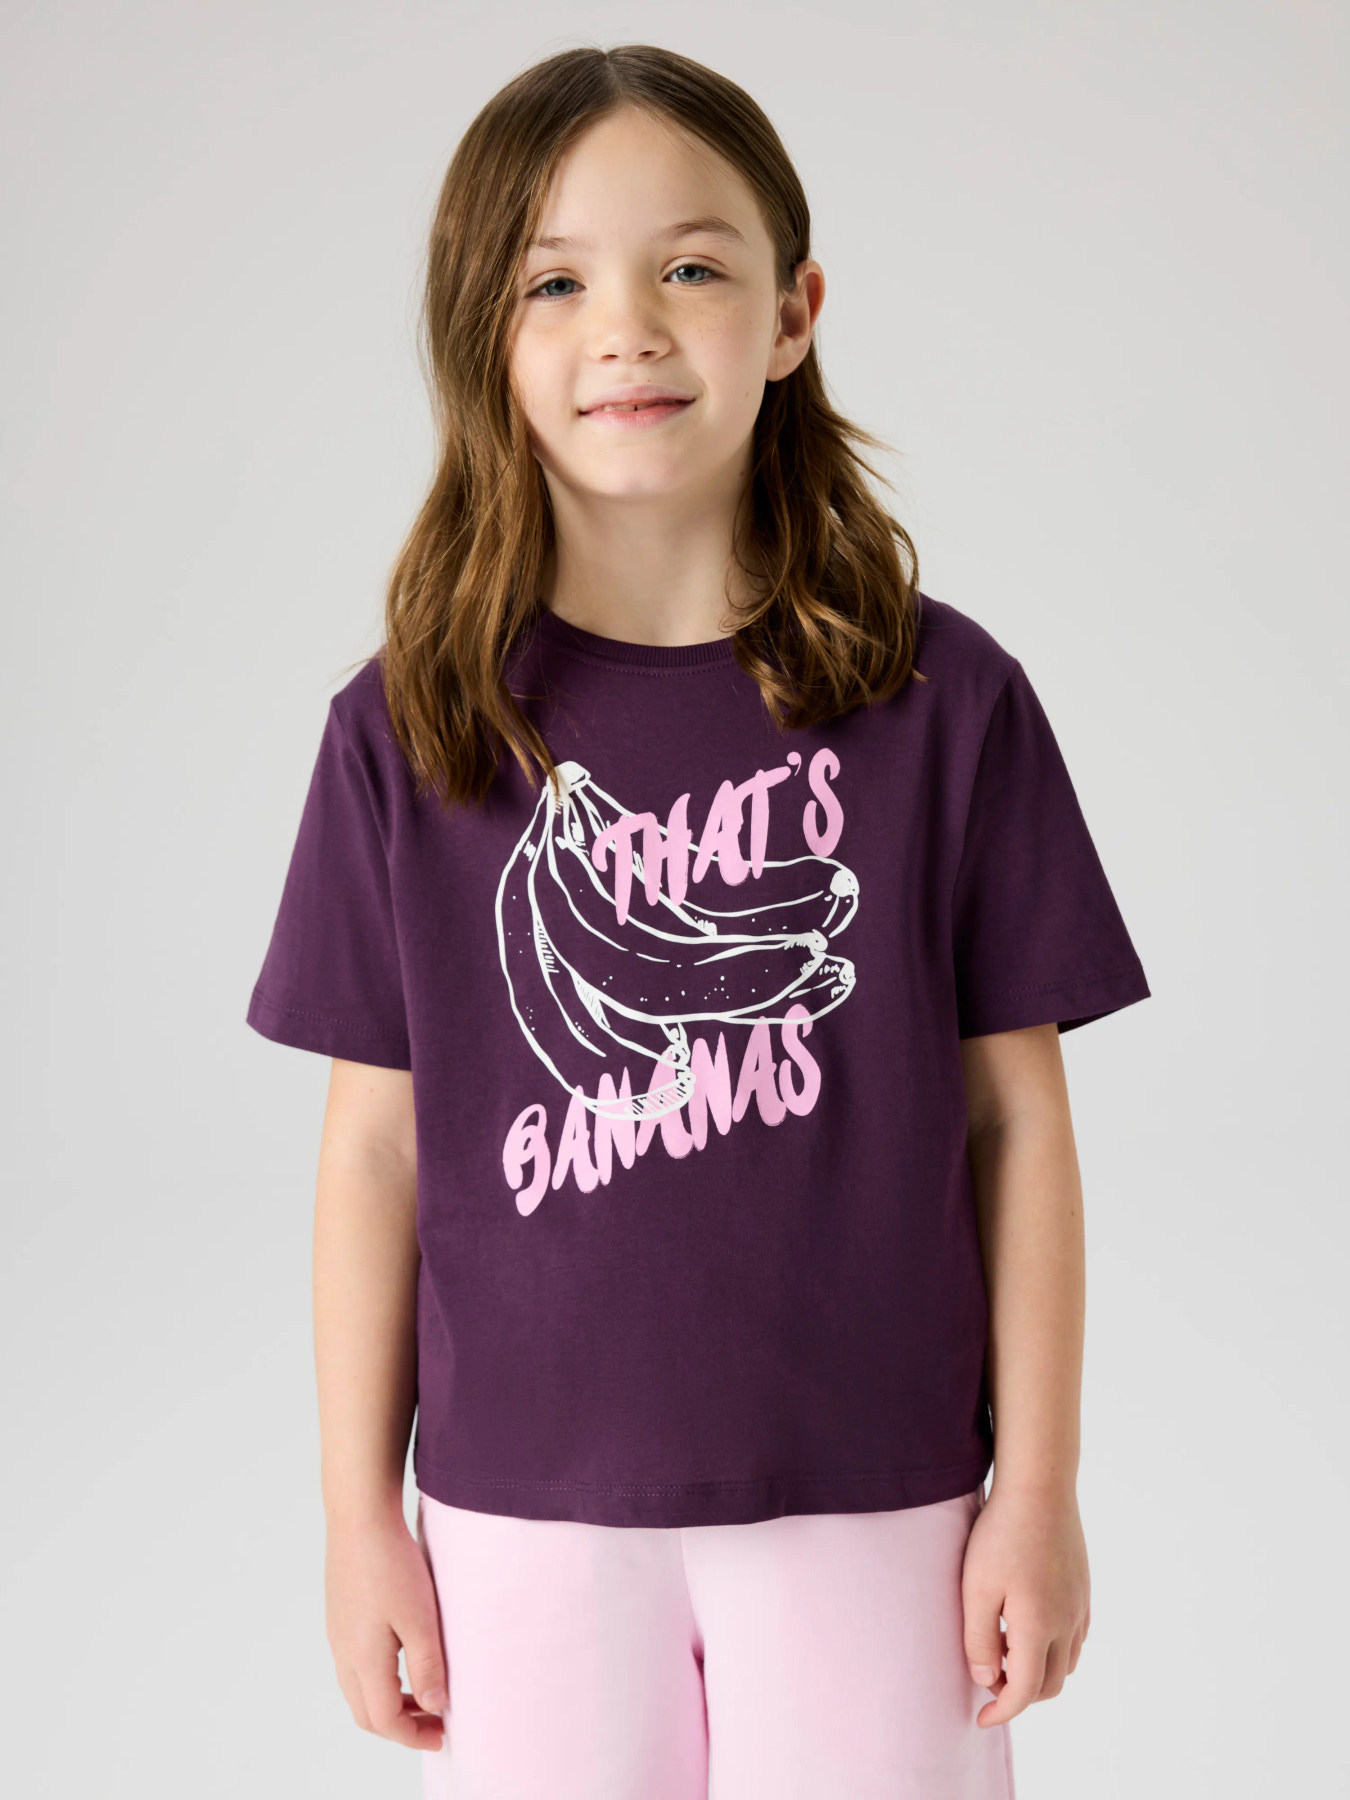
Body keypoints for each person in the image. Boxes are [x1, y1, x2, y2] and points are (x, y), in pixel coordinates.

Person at [245, 42, 1150, 1800]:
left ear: (792, 314)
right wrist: (360, 1519)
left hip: (879, 1494)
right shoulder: (408, 728)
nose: (628, 330)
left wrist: (1034, 1491)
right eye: (555, 282)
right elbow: (373, 1152)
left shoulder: (942, 702)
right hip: (517, 1514)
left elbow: (1014, 1120)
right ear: (483, 337)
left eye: (690, 267)